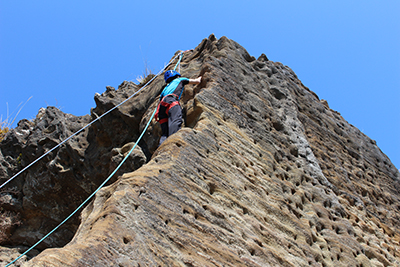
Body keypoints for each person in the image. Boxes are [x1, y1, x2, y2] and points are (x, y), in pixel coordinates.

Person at [156, 70, 202, 145]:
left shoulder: (165, 88)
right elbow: (197, 81)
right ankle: (173, 142)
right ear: (177, 76)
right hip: (172, 101)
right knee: (175, 121)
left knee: (165, 132)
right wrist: (202, 76)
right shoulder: (180, 80)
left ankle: (161, 146)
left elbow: (160, 100)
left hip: (161, 107)